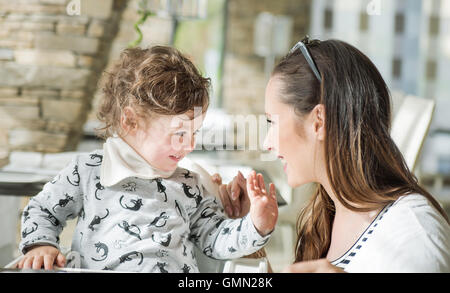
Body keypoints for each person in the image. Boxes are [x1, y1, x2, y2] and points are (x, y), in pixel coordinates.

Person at [17, 46, 278, 272]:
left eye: (194, 133)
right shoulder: (89, 171)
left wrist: (255, 226)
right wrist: (41, 245)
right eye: (179, 133)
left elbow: (215, 239)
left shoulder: (190, 185)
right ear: (130, 122)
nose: (190, 144)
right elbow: (42, 209)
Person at [217, 37, 450, 273]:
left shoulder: (414, 235)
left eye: (272, 122)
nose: (267, 143)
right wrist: (248, 231)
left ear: (318, 121)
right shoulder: (327, 213)